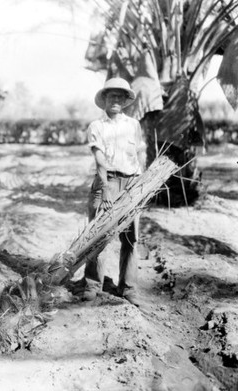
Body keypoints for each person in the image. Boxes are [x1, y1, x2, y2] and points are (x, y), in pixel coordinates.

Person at [82, 77, 146, 307]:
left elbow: (138, 156)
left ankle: (128, 288)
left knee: (130, 237)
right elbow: (100, 160)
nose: (116, 99)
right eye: (112, 95)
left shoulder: (133, 125)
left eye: (120, 96)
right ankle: (91, 285)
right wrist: (106, 189)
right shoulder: (96, 126)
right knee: (97, 236)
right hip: (105, 182)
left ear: (125, 100)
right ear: (105, 99)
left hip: (131, 184)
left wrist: (142, 187)